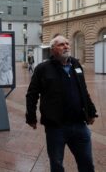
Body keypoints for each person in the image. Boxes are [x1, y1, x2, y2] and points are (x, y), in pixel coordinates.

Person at [25, 35, 98, 172]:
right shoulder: (43, 69)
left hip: (79, 124)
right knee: (57, 164)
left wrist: (91, 111)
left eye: (67, 44)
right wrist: (31, 117)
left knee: (87, 163)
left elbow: (83, 90)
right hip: (56, 127)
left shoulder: (76, 64)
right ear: (53, 50)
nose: (66, 46)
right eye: (61, 44)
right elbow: (32, 95)